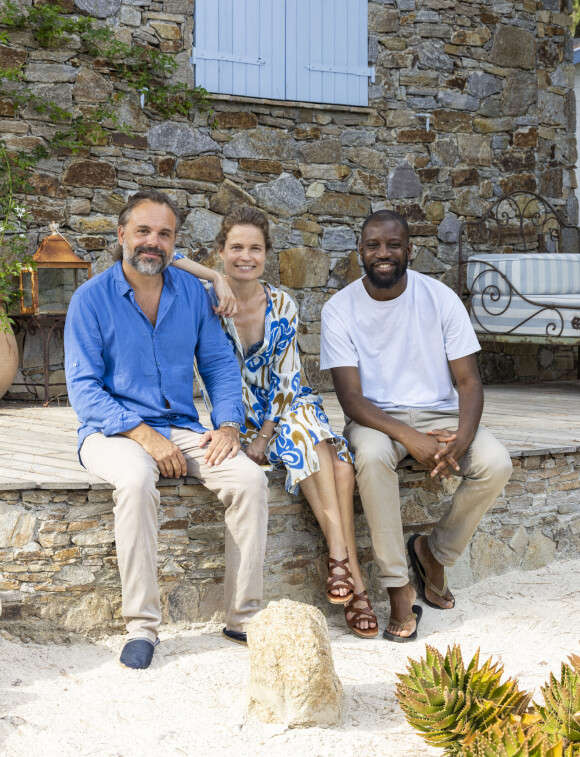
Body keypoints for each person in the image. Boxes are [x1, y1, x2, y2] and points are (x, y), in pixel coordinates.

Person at [64, 189, 269, 669]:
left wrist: (229, 425)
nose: (152, 242)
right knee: (137, 480)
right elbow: (84, 389)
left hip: (179, 425)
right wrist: (143, 436)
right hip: (109, 431)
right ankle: (142, 627)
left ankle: (243, 618)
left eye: (164, 234)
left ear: (175, 243)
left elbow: (219, 365)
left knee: (249, 479)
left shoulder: (192, 296)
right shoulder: (90, 299)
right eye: (143, 231)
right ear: (122, 236)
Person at [173, 206, 378, 638]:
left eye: (255, 248)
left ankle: (339, 561)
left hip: (286, 405)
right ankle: (355, 585)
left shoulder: (282, 303)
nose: (245, 257)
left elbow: (288, 382)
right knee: (338, 466)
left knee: (305, 428)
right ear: (221, 252)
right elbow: (166, 254)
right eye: (236, 248)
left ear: (266, 254)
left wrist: (265, 437)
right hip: (237, 418)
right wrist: (212, 278)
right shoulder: (204, 298)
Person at [320, 209, 512, 642]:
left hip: (439, 414)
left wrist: (461, 439)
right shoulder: (339, 308)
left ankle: (434, 552)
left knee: (496, 462)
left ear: (410, 249)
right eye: (373, 245)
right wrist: (410, 438)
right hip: (376, 417)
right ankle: (398, 586)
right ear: (360, 252)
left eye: (392, 244)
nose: (382, 253)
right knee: (368, 455)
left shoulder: (439, 297)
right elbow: (350, 398)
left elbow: (468, 381)